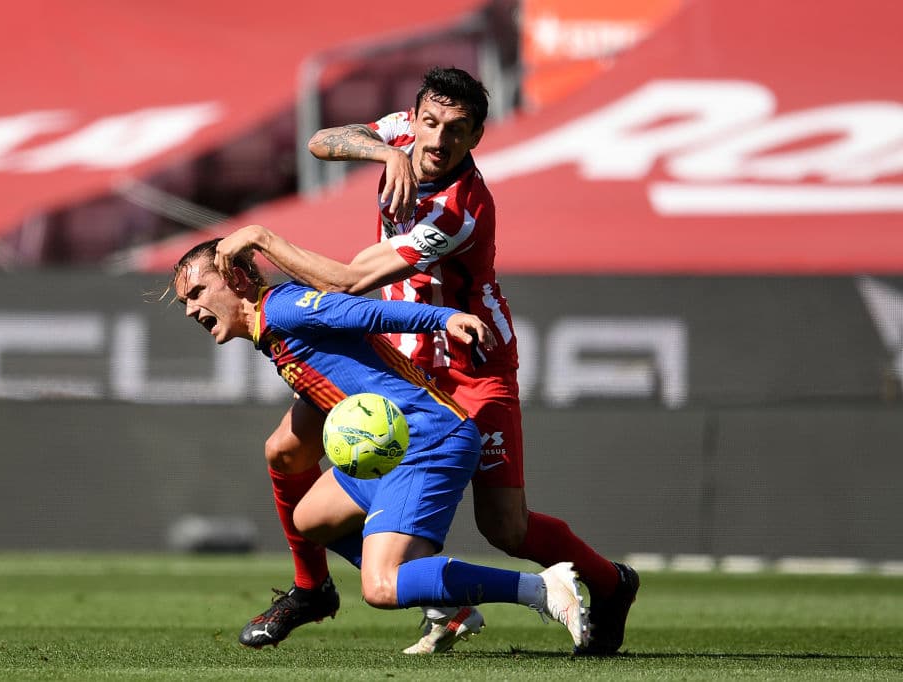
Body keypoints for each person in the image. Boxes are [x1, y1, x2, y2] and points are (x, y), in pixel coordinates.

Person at [215, 66, 638, 655]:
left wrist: (263, 237)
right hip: (398, 353)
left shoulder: (459, 209)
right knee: (286, 450)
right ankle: (313, 589)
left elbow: (351, 280)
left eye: (457, 131)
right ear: (413, 119)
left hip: (471, 363)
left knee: (505, 528)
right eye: (430, 124)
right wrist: (382, 152)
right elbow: (321, 140)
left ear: (477, 138)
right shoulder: (402, 134)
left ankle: (609, 583)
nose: (438, 142)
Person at [170, 239, 588, 652]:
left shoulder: (281, 308)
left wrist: (441, 319)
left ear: (238, 279)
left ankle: (541, 588)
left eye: (197, 292)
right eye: (185, 301)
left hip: (430, 440)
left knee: (381, 587)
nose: (190, 309)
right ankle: (445, 605)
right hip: (396, 450)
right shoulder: (269, 328)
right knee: (311, 519)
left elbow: (363, 311)